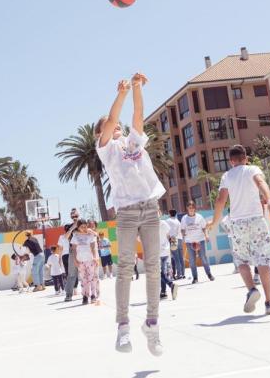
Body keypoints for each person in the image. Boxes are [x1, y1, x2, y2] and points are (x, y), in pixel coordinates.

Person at [95, 73, 166, 356]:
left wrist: (137, 88)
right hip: (125, 212)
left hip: (149, 207)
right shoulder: (107, 151)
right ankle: (123, 327)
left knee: (153, 267)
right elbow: (112, 119)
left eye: (117, 127)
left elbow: (138, 115)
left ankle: (152, 325)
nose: (115, 127)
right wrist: (121, 93)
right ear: (100, 133)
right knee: (125, 268)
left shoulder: (134, 142)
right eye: (107, 127)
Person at [208, 145, 270, 315]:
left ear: (231, 161)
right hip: (256, 219)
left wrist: (215, 221)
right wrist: (269, 199)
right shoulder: (252, 169)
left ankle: (252, 289)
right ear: (245, 158)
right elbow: (261, 182)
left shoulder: (227, 176)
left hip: (238, 223)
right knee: (262, 260)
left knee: (241, 261)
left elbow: (220, 200)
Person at [180, 201, 214, 283]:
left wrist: (206, 235)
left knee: (203, 258)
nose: (191, 209)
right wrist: (183, 235)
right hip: (190, 242)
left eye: (192, 208)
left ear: (195, 208)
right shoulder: (184, 218)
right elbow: (182, 229)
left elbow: (204, 228)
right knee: (192, 260)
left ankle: (209, 274)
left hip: (200, 240)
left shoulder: (199, 217)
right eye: (189, 208)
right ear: (187, 209)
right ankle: (195, 278)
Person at [72, 220, 101, 305]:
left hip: (90, 260)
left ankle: (93, 295)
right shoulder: (75, 236)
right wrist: (75, 259)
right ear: (78, 227)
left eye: (85, 226)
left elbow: (93, 247)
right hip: (80, 261)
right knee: (84, 280)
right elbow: (73, 249)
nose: (84, 228)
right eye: (82, 227)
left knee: (92, 278)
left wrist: (95, 257)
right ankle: (85, 296)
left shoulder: (90, 235)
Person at [61, 208, 82, 302]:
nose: (75, 218)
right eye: (73, 216)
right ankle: (69, 295)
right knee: (72, 273)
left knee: (87, 273)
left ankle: (90, 294)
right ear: (70, 217)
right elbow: (66, 237)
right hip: (73, 251)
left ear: (79, 215)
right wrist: (73, 227)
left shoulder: (83, 223)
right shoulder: (67, 226)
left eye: (76, 216)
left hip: (84, 250)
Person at [158, 220, 179, 301]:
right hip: (165, 251)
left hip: (157, 252)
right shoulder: (163, 223)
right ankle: (163, 292)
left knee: (158, 272)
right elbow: (169, 235)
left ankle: (171, 285)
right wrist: (173, 243)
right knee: (162, 272)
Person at [165, 210, 185, 280]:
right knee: (180, 258)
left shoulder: (167, 221)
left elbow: (166, 231)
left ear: (169, 214)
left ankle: (179, 274)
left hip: (173, 239)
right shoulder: (178, 221)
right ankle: (183, 274)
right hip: (179, 239)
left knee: (176, 258)